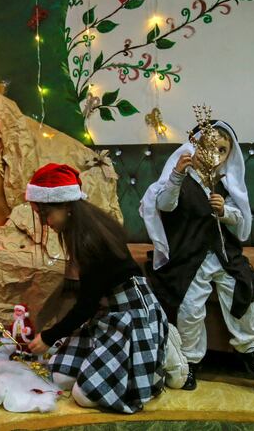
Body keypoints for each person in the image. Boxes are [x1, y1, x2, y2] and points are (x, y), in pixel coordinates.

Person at [25, 164, 167, 414]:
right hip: (108, 314)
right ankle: (98, 367)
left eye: (47, 215)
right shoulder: (81, 229)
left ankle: (160, 362)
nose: (46, 224)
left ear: (67, 206)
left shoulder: (90, 240)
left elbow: (85, 306)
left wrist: (48, 337)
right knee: (59, 377)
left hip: (131, 317)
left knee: (86, 396)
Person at [140, 120, 254, 390]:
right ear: (195, 147)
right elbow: (164, 204)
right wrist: (176, 176)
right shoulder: (181, 176)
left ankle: (248, 348)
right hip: (189, 253)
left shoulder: (225, 181)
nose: (216, 156)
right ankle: (190, 361)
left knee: (243, 288)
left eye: (223, 151)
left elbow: (239, 218)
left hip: (222, 252)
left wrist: (224, 212)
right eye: (211, 148)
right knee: (190, 307)